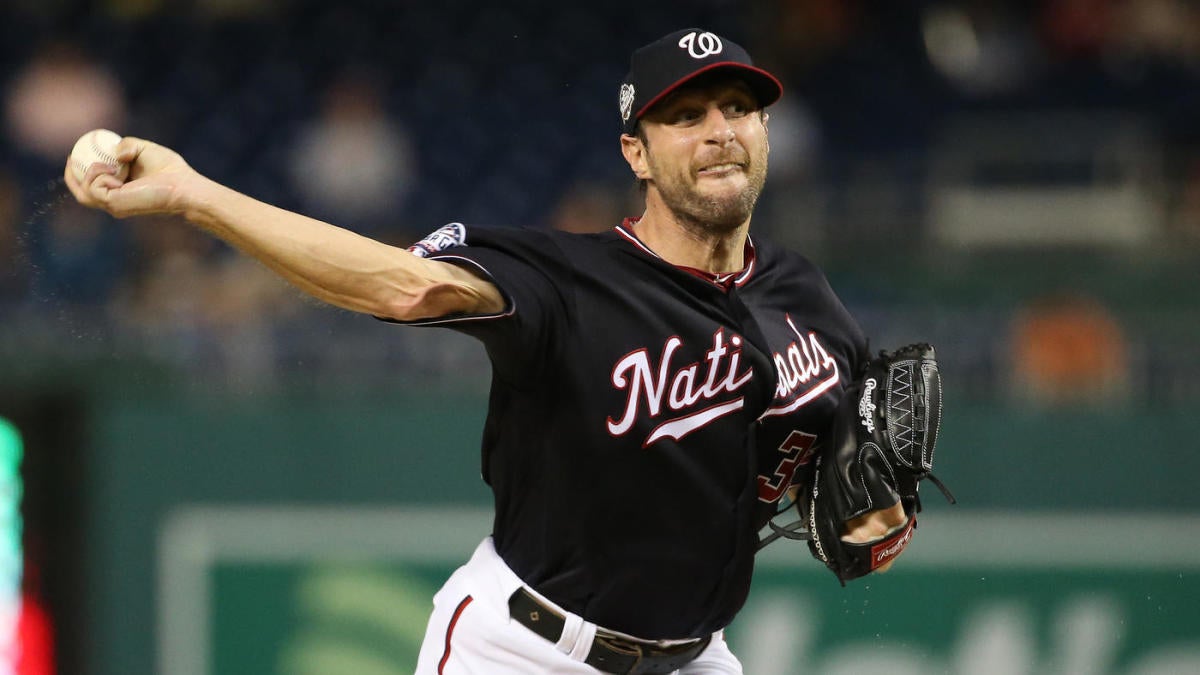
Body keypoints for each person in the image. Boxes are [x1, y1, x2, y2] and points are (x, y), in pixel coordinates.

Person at [66, 28, 905, 675]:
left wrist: (875, 517)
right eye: (685, 116)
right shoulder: (563, 278)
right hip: (525, 649)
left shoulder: (807, 299)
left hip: (695, 652)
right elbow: (402, 285)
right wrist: (193, 194)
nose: (719, 132)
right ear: (636, 153)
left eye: (738, 109)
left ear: (764, 130)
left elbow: (841, 487)